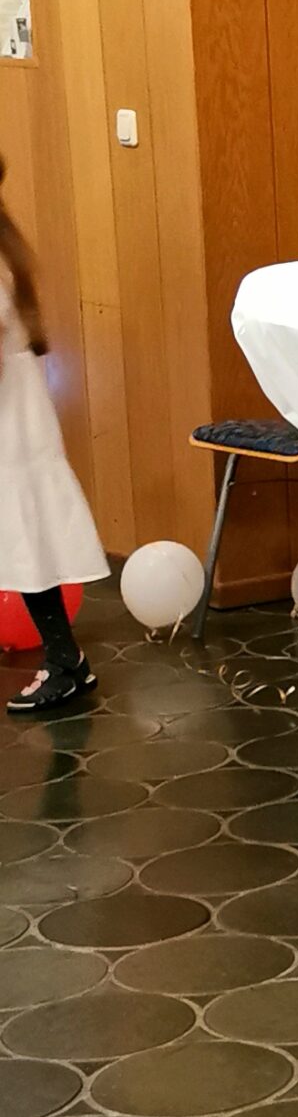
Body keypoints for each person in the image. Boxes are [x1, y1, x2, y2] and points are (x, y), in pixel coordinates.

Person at [0, 154, 108, 714]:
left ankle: (65, 663)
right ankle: (66, 660)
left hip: (10, 428)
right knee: (25, 538)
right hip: (17, 423)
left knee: (26, 539)